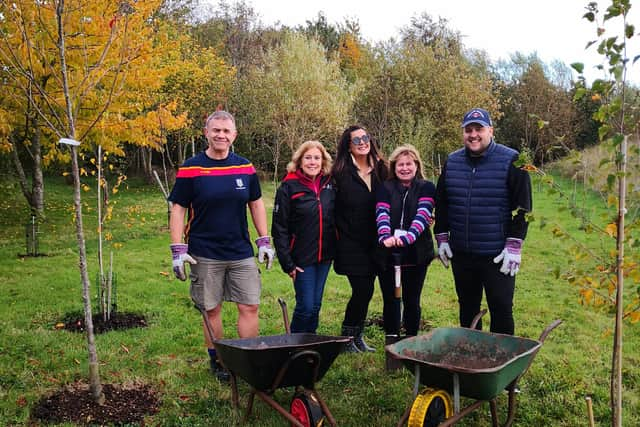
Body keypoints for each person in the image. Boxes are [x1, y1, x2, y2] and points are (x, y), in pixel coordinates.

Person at [167, 110, 275, 381]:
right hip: (204, 252)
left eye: (226, 131)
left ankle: (246, 357)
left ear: (234, 135)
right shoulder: (191, 168)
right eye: (216, 130)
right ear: (206, 133)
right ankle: (219, 360)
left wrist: (264, 240)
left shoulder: (245, 167)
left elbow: (256, 203)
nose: (221, 135)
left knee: (249, 305)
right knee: (211, 308)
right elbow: (178, 208)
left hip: (240, 251)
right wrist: (178, 249)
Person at [434, 108, 532, 335]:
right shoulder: (452, 161)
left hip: (497, 254)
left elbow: (523, 207)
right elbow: (443, 201)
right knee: (467, 308)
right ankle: (472, 357)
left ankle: (501, 361)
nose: (473, 134)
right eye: (468, 130)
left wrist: (515, 243)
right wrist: (441, 237)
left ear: (491, 131)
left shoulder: (512, 160)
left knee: (501, 308)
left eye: (479, 129)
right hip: (462, 253)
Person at [332, 125, 389, 352]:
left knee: (368, 291)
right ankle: (347, 337)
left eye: (366, 137)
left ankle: (358, 336)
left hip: (376, 243)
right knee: (362, 290)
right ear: (348, 146)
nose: (363, 142)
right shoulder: (340, 173)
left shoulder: (382, 169)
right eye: (357, 140)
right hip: (350, 243)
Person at [272, 141, 336, 333]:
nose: (312, 162)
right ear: (299, 161)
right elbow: (279, 227)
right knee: (306, 306)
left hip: (324, 256)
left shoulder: (330, 184)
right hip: (301, 258)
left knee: (315, 305)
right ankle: (295, 345)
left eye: (317, 158)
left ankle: (310, 345)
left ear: (323, 161)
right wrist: (287, 262)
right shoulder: (289, 187)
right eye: (308, 158)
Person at [375, 144, 436, 342]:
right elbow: (382, 212)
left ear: (416, 165)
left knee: (412, 300)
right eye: (400, 164)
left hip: (416, 253)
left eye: (409, 164)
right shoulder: (385, 187)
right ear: (394, 167)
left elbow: (423, 214)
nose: (404, 168)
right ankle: (392, 339)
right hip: (389, 253)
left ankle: (411, 339)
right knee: (391, 299)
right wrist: (385, 236)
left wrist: (408, 237)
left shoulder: (426, 187)